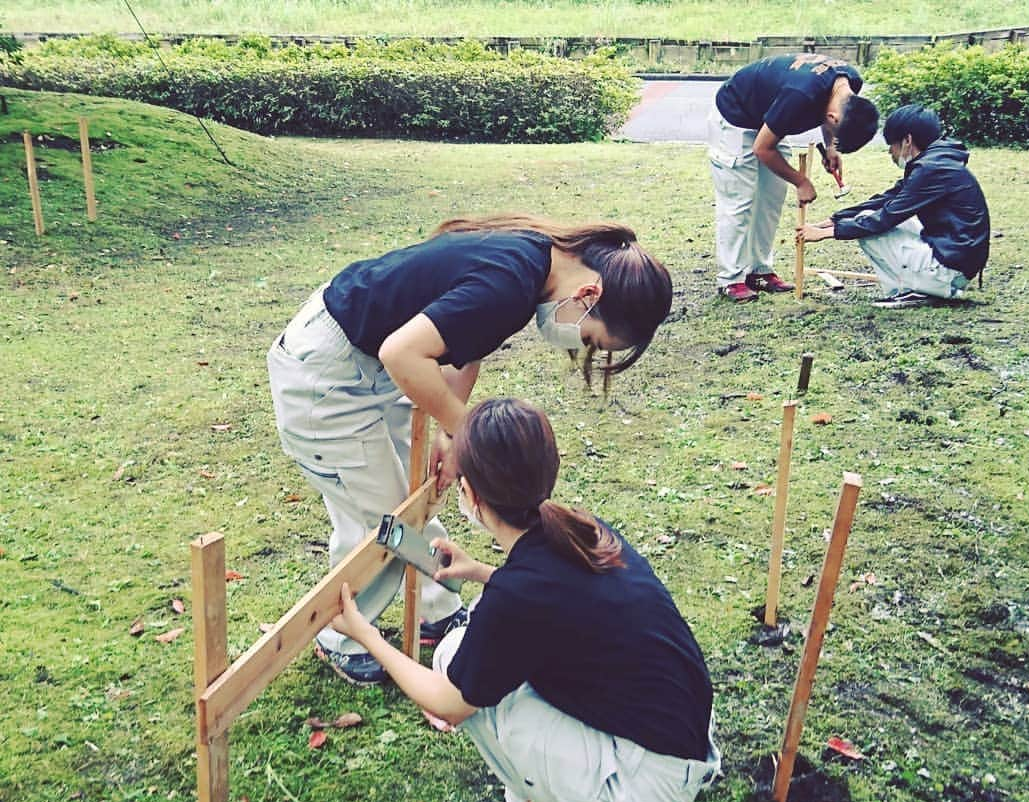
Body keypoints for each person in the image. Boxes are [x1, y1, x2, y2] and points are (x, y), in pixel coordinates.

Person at [268, 215, 672, 685]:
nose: (576, 344)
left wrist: (451, 427)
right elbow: (402, 354)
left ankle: (437, 609)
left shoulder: (536, 267)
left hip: (365, 361)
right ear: (588, 297)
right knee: (378, 518)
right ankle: (340, 638)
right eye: (587, 338)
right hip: (325, 376)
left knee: (413, 494)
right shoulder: (511, 284)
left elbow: (467, 340)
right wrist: (467, 432)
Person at [330, 397, 718, 802]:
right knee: (477, 649)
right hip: (683, 747)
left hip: (642, 794)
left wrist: (367, 636)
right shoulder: (586, 530)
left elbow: (449, 704)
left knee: (457, 661)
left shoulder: (519, 596)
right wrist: (480, 572)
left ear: (471, 495)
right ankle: (598, 797)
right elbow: (564, 603)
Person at [707, 53, 879, 301]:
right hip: (735, 116)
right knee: (739, 202)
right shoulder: (800, 94)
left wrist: (831, 146)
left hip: (768, 117)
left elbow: (830, 110)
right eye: (834, 130)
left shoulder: (849, 84)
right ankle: (731, 279)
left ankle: (759, 271)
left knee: (770, 200)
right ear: (833, 119)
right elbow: (762, 148)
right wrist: (801, 181)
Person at [797, 105, 990, 309]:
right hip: (956, 257)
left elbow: (886, 217)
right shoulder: (937, 162)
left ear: (907, 141)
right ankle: (923, 286)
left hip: (951, 267)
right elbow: (889, 197)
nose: (890, 151)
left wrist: (828, 233)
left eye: (892, 144)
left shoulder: (931, 170)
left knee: (870, 225)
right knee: (868, 216)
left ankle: (917, 290)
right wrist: (834, 219)